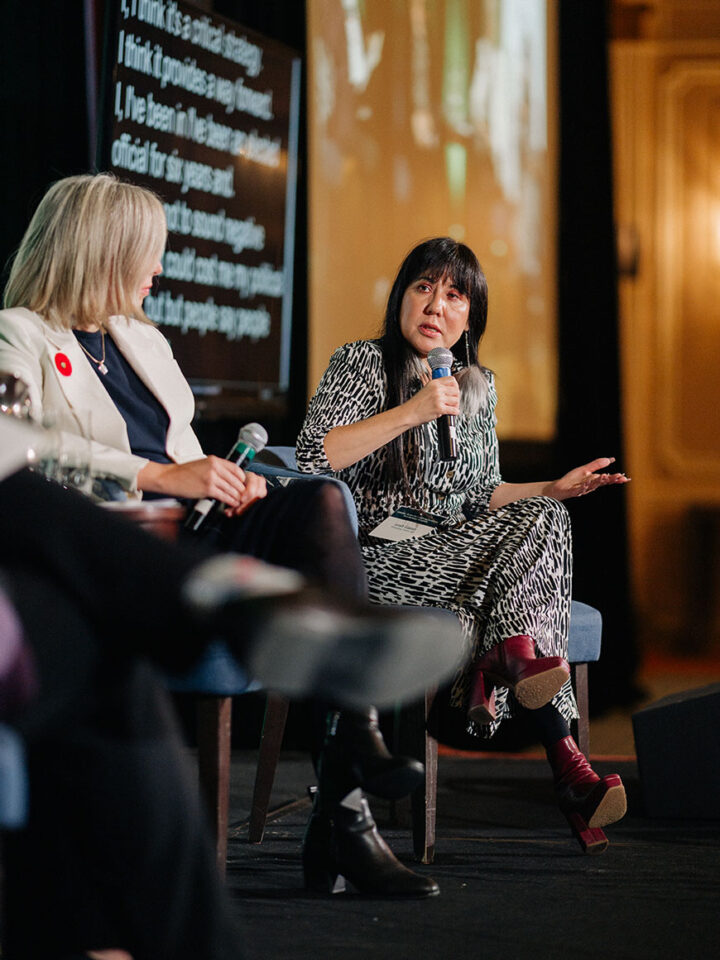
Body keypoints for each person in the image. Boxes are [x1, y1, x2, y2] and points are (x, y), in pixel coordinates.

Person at [0, 174, 460, 898]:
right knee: (311, 517)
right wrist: (158, 477)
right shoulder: (20, 333)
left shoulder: (141, 338)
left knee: (316, 502)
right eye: (149, 256)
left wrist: (229, 480)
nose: (158, 271)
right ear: (104, 252)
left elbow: (183, 451)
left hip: (198, 526)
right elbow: (13, 446)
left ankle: (351, 724)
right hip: (118, 541)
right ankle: (350, 791)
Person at [296, 236, 630, 852]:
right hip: (376, 555)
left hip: (457, 553)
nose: (435, 305)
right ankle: (558, 748)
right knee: (530, 555)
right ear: (401, 297)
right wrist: (413, 410)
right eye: (423, 287)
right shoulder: (361, 363)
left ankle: (518, 681)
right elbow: (314, 455)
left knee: (547, 514)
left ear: (470, 316)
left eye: (454, 295)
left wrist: (552, 485)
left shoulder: (477, 386)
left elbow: (481, 496)